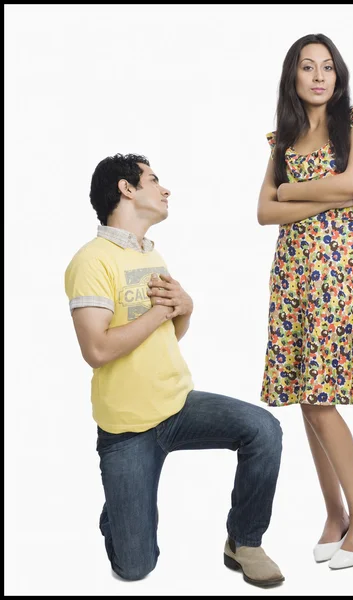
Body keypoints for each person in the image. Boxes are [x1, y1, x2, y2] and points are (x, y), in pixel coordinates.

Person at [64, 153, 284, 587]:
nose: (165, 190)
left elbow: (164, 337)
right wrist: (160, 312)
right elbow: (97, 349)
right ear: (126, 189)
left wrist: (184, 311)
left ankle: (244, 541)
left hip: (177, 404)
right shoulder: (92, 261)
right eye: (153, 180)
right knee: (134, 568)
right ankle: (121, 507)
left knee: (264, 430)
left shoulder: (151, 254)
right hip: (127, 428)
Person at [257, 33, 353, 570]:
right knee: (302, 392)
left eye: (328, 67)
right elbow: (263, 214)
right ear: (293, 77)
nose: (319, 76)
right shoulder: (283, 139)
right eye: (307, 67)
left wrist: (291, 190)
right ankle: (335, 514)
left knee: (319, 395)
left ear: (339, 76)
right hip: (293, 271)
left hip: (337, 270)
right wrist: (331, 190)